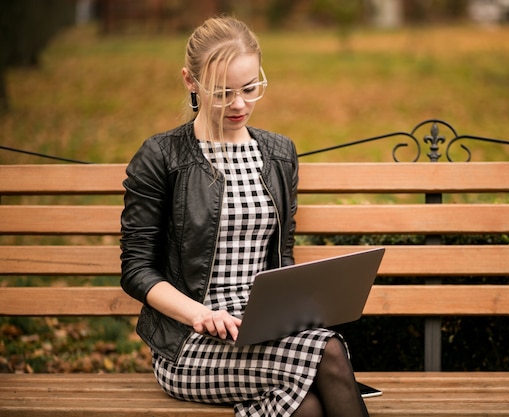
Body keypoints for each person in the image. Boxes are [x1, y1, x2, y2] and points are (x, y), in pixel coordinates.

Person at [120, 16, 369, 417]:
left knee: (306, 406)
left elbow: (281, 258)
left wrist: (295, 312)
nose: (239, 104)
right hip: (190, 341)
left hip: (265, 332)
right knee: (329, 349)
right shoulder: (162, 157)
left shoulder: (278, 154)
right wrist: (201, 314)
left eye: (250, 89)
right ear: (190, 81)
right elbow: (136, 270)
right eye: (222, 93)